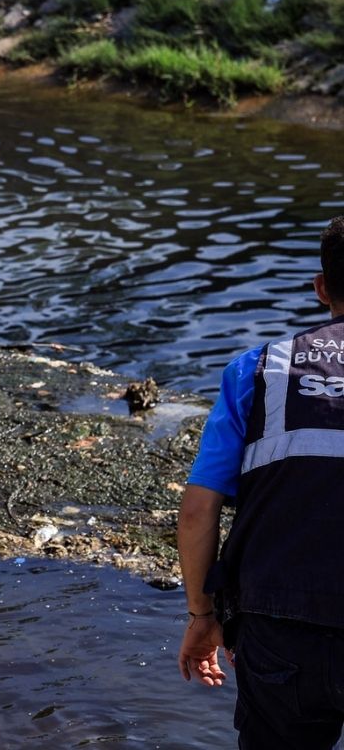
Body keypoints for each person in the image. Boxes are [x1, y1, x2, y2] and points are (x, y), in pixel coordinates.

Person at [177, 214, 344, 748]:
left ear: (322, 289)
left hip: (279, 626)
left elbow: (197, 511)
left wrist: (201, 615)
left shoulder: (259, 369)